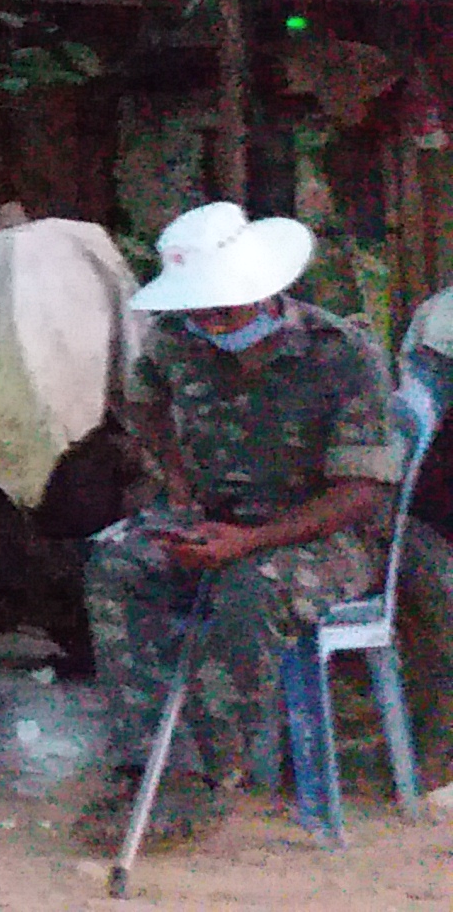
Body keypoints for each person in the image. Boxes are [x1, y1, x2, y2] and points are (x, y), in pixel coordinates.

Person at [78, 209, 405, 843]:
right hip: (217, 521)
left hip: (324, 537)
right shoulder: (178, 340)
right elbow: (142, 403)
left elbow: (361, 493)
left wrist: (249, 541)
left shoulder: (342, 355)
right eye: (198, 312)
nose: (208, 326)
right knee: (117, 565)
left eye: (221, 312)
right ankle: (142, 766)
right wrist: (178, 487)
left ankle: (209, 776)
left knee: (248, 590)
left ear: (265, 294)